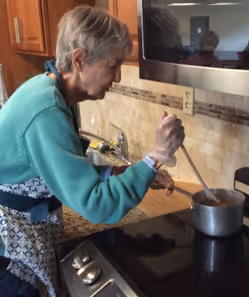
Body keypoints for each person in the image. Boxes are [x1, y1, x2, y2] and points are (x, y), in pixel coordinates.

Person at [0, 6, 185, 297]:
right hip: (10, 249)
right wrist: (157, 156)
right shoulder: (46, 112)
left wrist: (131, 172)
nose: (119, 77)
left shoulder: (56, 93)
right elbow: (97, 205)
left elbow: (68, 170)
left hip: (28, 230)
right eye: (113, 65)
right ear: (79, 60)